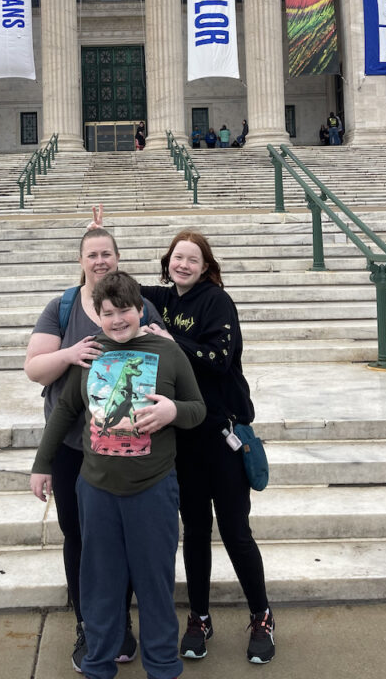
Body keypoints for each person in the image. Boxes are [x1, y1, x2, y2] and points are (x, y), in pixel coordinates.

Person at [31, 271, 206, 679]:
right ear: (98, 316)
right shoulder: (90, 353)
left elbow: (198, 407)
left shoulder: (168, 352)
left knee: (155, 584)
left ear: (140, 309)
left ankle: (162, 666)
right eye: (107, 313)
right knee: (101, 586)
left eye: (124, 310)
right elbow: (65, 412)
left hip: (153, 488)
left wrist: (172, 411)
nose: (117, 320)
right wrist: (42, 463)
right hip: (97, 489)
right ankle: (98, 663)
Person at [24, 223, 163, 671]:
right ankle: (88, 623)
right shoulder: (62, 307)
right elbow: (34, 369)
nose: (100, 261)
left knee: (117, 540)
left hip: (120, 445)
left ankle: (118, 622)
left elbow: (167, 357)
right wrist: (69, 354)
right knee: (79, 537)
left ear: (117, 259)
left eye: (107, 254)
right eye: (92, 254)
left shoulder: (136, 304)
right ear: (81, 260)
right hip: (70, 445)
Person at [137, 230, 276, 665]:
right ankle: (198, 617)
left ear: (205, 266)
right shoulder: (162, 300)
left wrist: (170, 340)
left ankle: (262, 616)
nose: (183, 265)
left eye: (192, 260)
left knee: (235, 531)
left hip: (222, 436)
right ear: (167, 261)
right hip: (184, 440)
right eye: (177, 257)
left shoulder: (216, 301)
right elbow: (109, 282)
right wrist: (94, 248)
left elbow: (220, 357)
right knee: (195, 532)